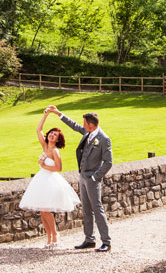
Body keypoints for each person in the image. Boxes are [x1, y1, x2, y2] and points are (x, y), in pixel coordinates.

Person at [46, 105, 113, 252]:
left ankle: (106, 242)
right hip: (82, 177)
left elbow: (109, 162)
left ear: (90, 124)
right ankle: (89, 239)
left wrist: (96, 176)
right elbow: (74, 126)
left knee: (97, 209)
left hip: (93, 179)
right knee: (86, 209)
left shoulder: (103, 139)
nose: (82, 125)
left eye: (84, 123)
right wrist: (58, 114)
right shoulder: (87, 133)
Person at [18, 108, 80, 248]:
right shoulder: (45, 146)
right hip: (41, 180)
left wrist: (43, 166)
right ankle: (48, 236)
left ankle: (55, 235)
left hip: (51, 181)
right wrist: (45, 115)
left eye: (55, 135)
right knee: (42, 211)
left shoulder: (55, 151)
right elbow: (38, 130)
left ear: (58, 139)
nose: (52, 135)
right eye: (51, 133)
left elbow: (58, 168)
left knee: (47, 210)